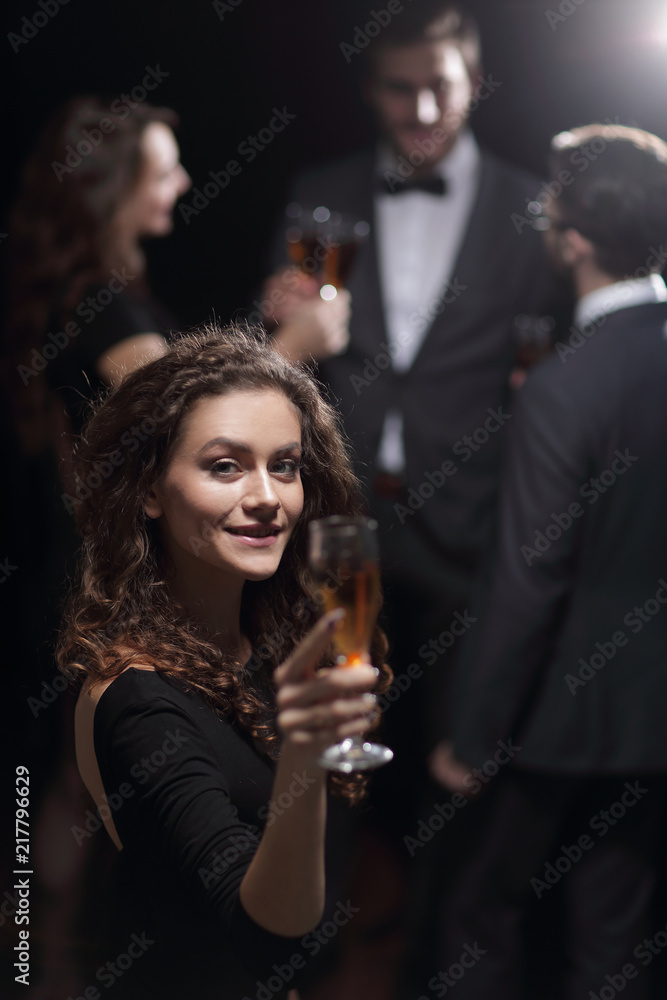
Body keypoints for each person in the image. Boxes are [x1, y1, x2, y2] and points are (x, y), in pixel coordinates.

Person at [263, 1, 561, 826]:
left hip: (474, 519)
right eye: (402, 90)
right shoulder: (317, 195)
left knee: (461, 766)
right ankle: (311, 941)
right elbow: (274, 350)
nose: (423, 111)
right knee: (325, 746)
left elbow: (555, 360)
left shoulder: (535, 211)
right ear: (369, 88)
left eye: (441, 86)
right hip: (340, 515)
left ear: (473, 82)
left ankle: (439, 952)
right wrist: (279, 319)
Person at [55, 323, 391, 999]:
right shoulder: (139, 697)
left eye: (285, 465)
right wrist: (303, 750)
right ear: (149, 490)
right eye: (225, 466)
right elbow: (268, 940)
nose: (268, 495)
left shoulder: (267, 648)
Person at [429, 124, 667, 999]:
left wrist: (471, 736)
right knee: (616, 938)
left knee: (477, 921)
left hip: (555, 723)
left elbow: (529, 580)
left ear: (569, 239)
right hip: (653, 723)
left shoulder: (564, 386)